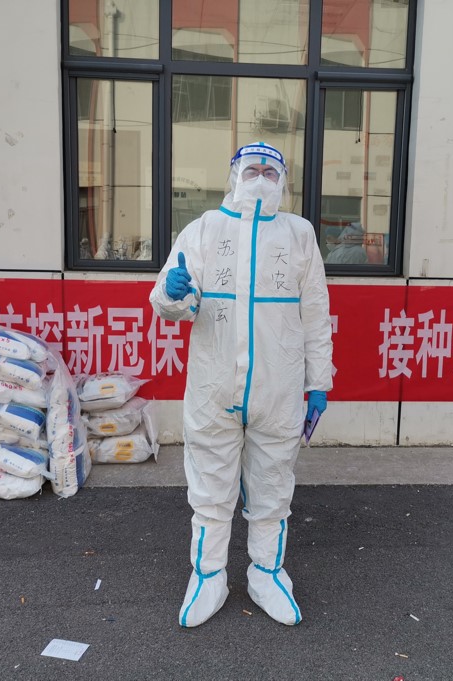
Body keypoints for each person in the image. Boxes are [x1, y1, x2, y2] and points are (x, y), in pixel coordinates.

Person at [149, 142, 333, 628]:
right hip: (213, 389)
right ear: (234, 174)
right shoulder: (204, 230)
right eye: (252, 169)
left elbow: (316, 314)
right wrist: (173, 293)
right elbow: (171, 299)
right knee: (210, 492)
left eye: (271, 172)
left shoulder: (299, 234)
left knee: (273, 489)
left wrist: (319, 382)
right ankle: (208, 576)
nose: (261, 178)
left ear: (283, 181)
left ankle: (266, 574)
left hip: (279, 390)